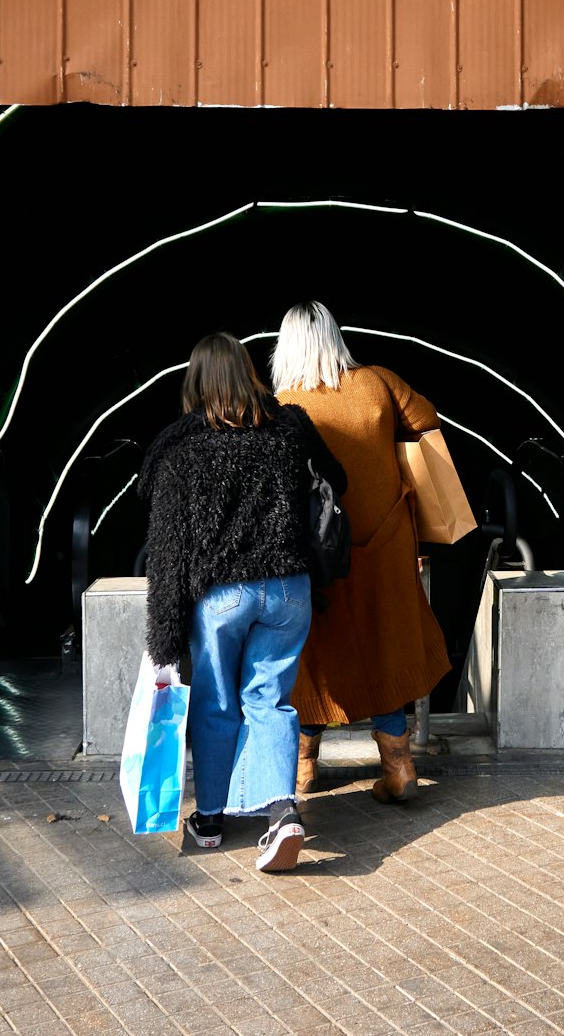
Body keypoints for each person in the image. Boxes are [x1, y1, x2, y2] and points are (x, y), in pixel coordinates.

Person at [136, 331, 347, 872]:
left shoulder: (180, 447)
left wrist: (163, 637)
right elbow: (337, 480)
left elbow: (166, 551)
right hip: (287, 589)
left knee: (216, 703)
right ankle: (282, 816)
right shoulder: (290, 427)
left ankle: (209, 820)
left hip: (221, 596)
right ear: (250, 373)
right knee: (270, 699)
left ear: (196, 382)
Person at [270, 301, 452, 803]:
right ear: (334, 336)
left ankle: (303, 769)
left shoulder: (283, 402)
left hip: (321, 551)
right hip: (388, 542)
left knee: (315, 654)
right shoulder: (378, 382)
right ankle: (399, 767)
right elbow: (427, 421)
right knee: (384, 647)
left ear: (287, 346)